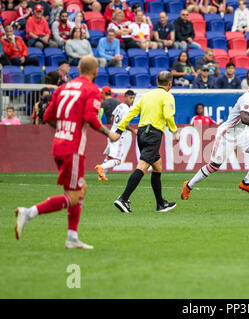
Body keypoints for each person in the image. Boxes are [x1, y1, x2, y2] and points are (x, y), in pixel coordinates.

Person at [14, 56, 117, 249]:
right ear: (95, 72)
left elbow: (47, 117)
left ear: (78, 68)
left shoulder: (62, 88)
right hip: (73, 149)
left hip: (59, 144)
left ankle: (72, 237)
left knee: (80, 189)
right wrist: (108, 133)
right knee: (74, 195)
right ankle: (28, 213)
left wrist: (64, 129)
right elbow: (89, 117)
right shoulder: (91, 90)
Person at [181, 79, 249, 200]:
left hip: (241, 134)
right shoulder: (247, 99)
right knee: (214, 166)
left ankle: (246, 182)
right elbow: (245, 119)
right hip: (227, 134)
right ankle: (188, 185)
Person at [112, 71, 180, 213]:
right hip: (153, 134)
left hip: (142, 132)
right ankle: (123, 198)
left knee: (157, 166)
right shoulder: (168, 96)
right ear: (170, 83)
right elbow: (168, 115)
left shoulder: (146, 96)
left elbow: (131, 113)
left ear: (157, 82)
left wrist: (119, 130)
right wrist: (174, 131)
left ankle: (160, 203)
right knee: (142, 166)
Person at [95, 90, 138, 181]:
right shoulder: (126, 109)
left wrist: (115, 125)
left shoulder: (119, 106)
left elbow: (112, 117)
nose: (132, 100)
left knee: (109, 157)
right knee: (117, 161)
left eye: (133, 98)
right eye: (130, 98)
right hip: (118, 136)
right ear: (125, 97)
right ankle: (101, 167)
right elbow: (124, 124)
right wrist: (133, 130)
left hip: (111, 133)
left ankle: (101, 175)